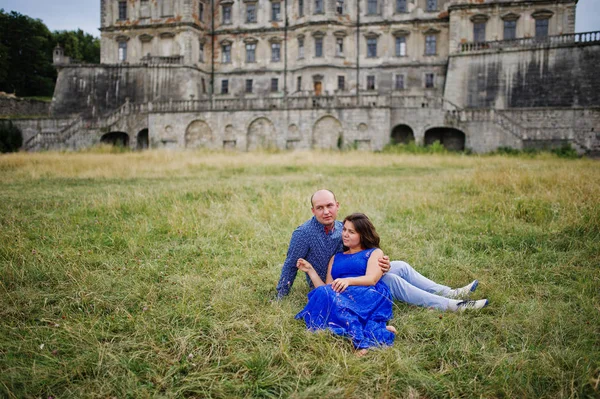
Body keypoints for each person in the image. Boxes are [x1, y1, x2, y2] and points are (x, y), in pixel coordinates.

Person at [276, 189, 488, 311]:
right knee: (392, 281)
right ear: (313, 210)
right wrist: (281, 296)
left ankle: (450, 292)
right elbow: (290, 264)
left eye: (329, 206)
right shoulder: (303, 233)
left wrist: (381, 264)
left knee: (400, 267)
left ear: (337, 205)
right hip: (333, 281)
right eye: (320, 208)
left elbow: (360, 251)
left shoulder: (342, 227)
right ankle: (454, 305)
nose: (326, 211)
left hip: (355, 272)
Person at [295, 213, 396, 354]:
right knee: (323, 295)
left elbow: (372, 279)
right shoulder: (336, 257)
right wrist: (310, 270)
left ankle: (360, 342)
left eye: (351, 232)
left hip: (366, 293)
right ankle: (374, 329)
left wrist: (348, 281)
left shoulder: (373, 252)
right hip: (342, 294)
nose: (345, 234)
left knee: (335, 304)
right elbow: (327, 289)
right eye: (344, 230)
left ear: (363, 235)